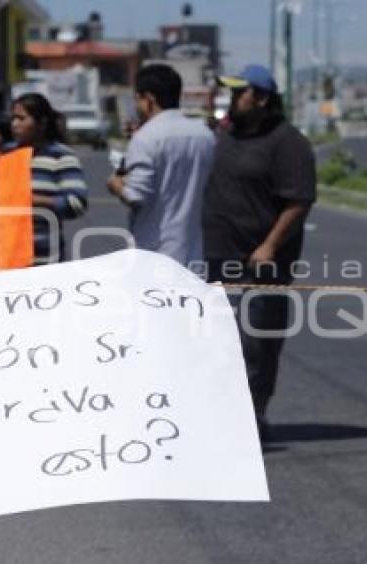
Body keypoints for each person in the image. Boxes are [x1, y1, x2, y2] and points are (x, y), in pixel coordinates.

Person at [203, 64, 317, 438]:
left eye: (240, 93)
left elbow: (298, 201)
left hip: (261, 264)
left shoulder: (289, 143)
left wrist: (269, 245)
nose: (233, 100)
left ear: (263, 98)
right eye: (231, 93)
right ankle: (223, 415)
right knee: (217, 342)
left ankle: (253, 413)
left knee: (256, 343)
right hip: (218, 257)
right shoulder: (224, 134)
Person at [106, 64, 215, 266]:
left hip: (154, 253)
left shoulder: (146, 137)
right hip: (194, 252)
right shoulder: (205, 135)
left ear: (149, 99)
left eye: (137, 99)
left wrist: (115, 184)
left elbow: (135, 195)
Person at [10, 93, 87, 264]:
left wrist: (35, 200)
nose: (15, 124)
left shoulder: (61, 157)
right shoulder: (6, 155)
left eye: (21, 119)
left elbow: (77, 204)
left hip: (45, 261)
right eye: (13, 118)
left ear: (41, 123)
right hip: (6, 259)